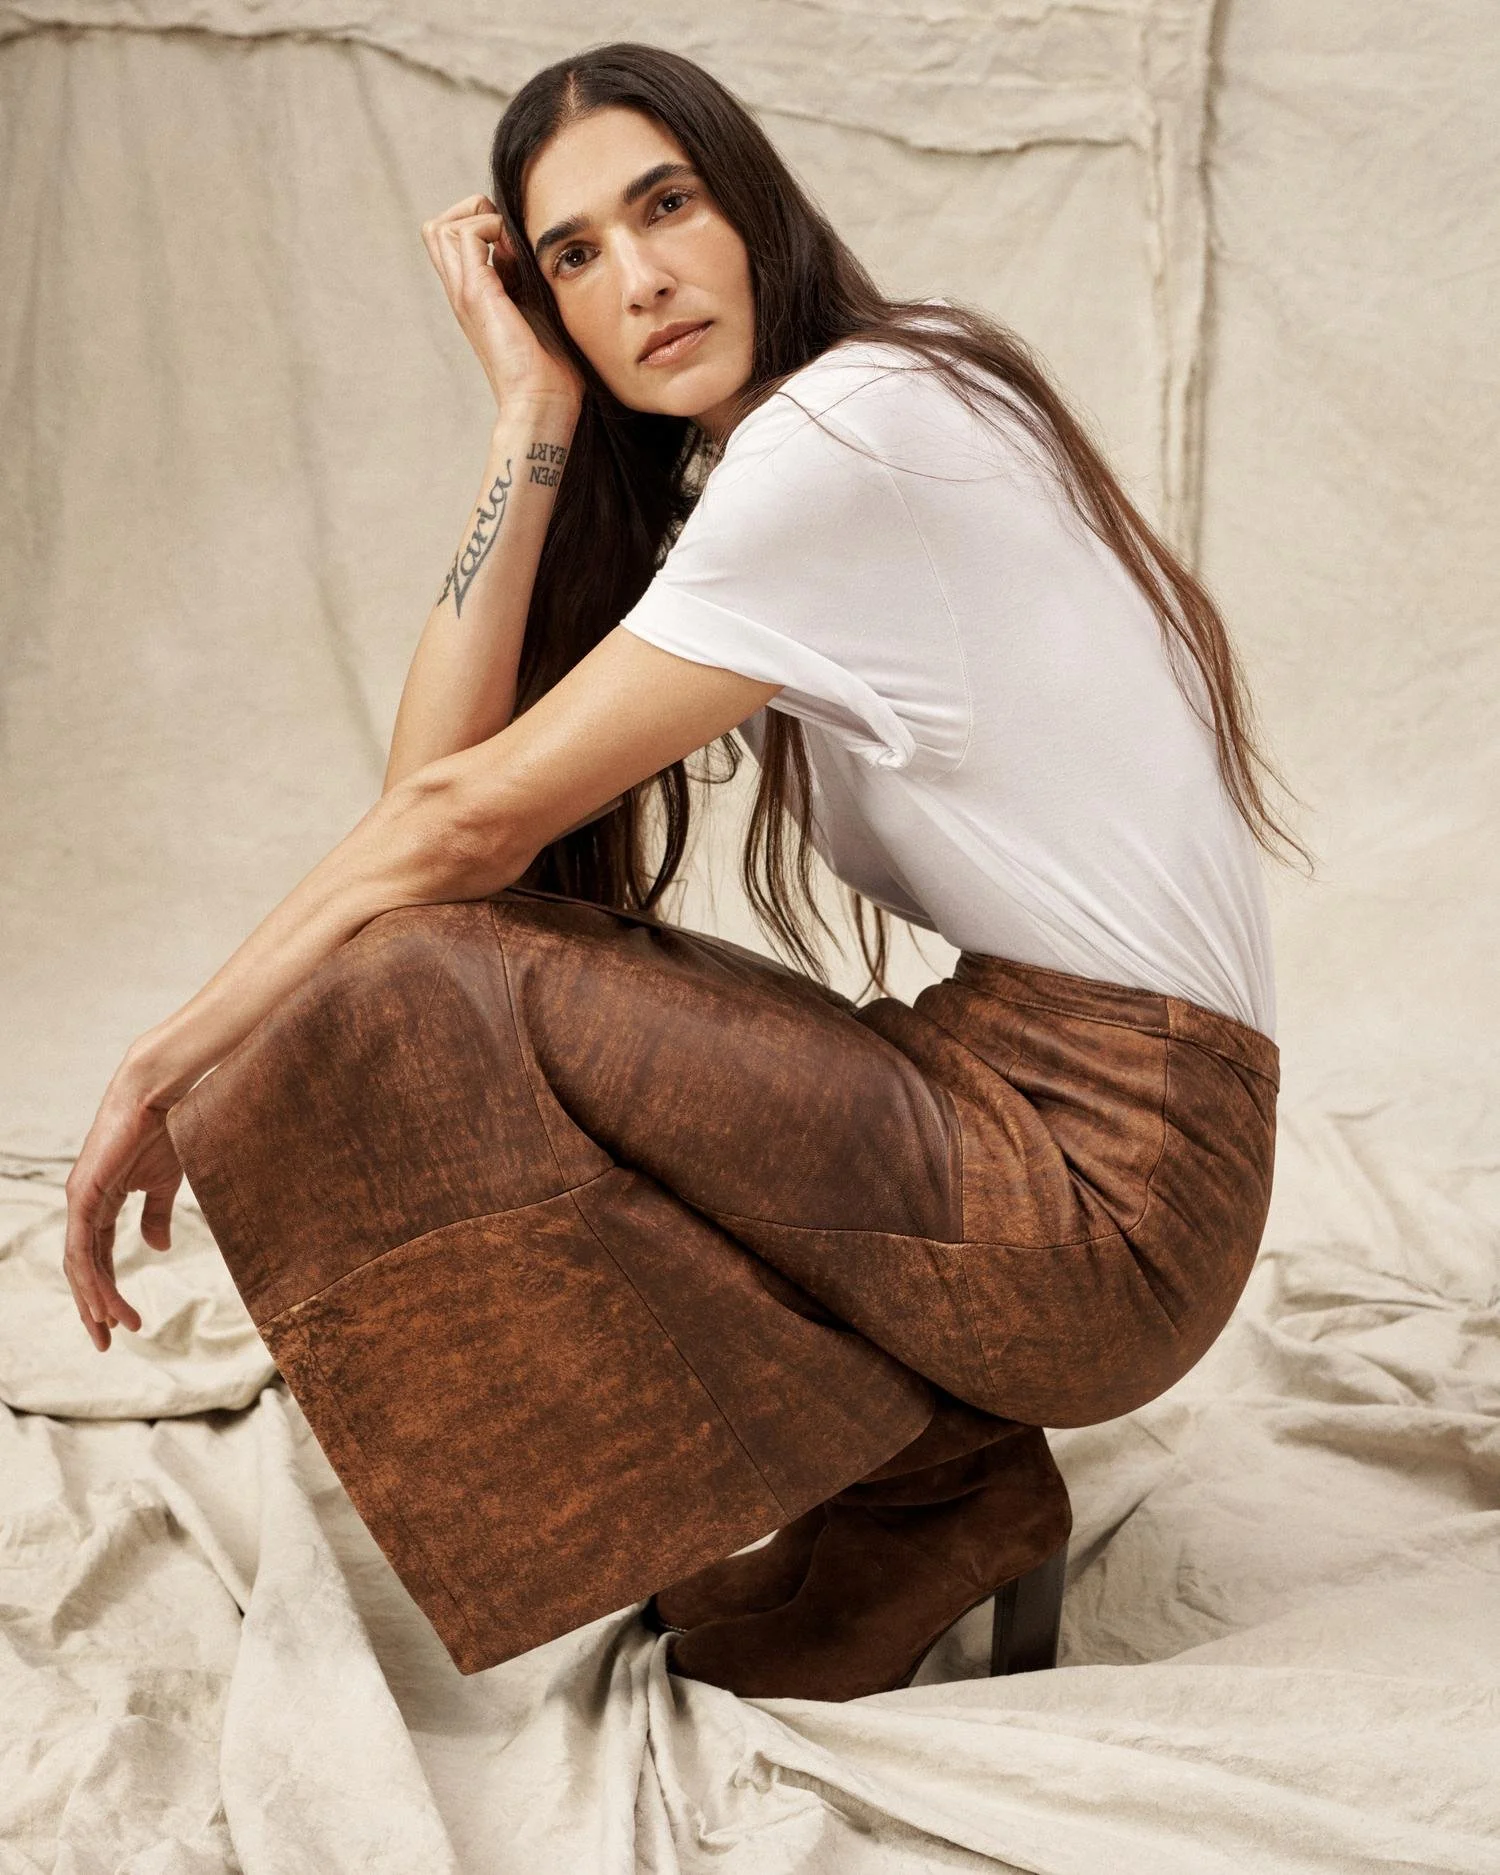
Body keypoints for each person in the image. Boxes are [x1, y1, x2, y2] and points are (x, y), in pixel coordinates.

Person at [61, 42, 1307, 1702]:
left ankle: (930, 1488)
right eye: (573, 256)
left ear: (754, 209)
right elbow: (434, 800)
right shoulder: (835, 426)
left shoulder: (858, 425)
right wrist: (530, 410)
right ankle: (923, 1488)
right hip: (1045, 1110)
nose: (637, 278)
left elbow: (448, 833)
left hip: (1108, 1190)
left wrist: (168, 1056)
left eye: (668, 205)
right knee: (429, 960)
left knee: (410, 980)